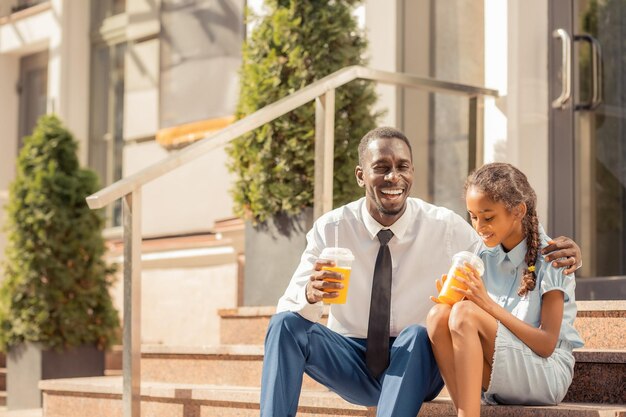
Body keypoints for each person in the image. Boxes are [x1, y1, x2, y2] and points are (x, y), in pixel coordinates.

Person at [261, 127, 581, 417]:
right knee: (285, 324)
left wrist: (567, 253)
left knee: (419, 330)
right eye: (381, 168)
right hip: (351, 359)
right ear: (361, 175)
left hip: (415, 360)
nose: (393, 177)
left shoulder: (446, 227)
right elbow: (290, 305)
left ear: (412, 172)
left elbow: (506, 241)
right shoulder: (331, 228)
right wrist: (310, 294)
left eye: (402, 167)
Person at [426, 162, 584, 417]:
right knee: (438, 316)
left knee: (465, 313)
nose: (479, 227)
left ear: (518, 211)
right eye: (473, 216)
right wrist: (454, 299)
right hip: (501, 368)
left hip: (545, 372)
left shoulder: (554, 257)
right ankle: (466, 410)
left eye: (488, 217)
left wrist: (485, 304)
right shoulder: (481, 255)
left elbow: (546, 345)